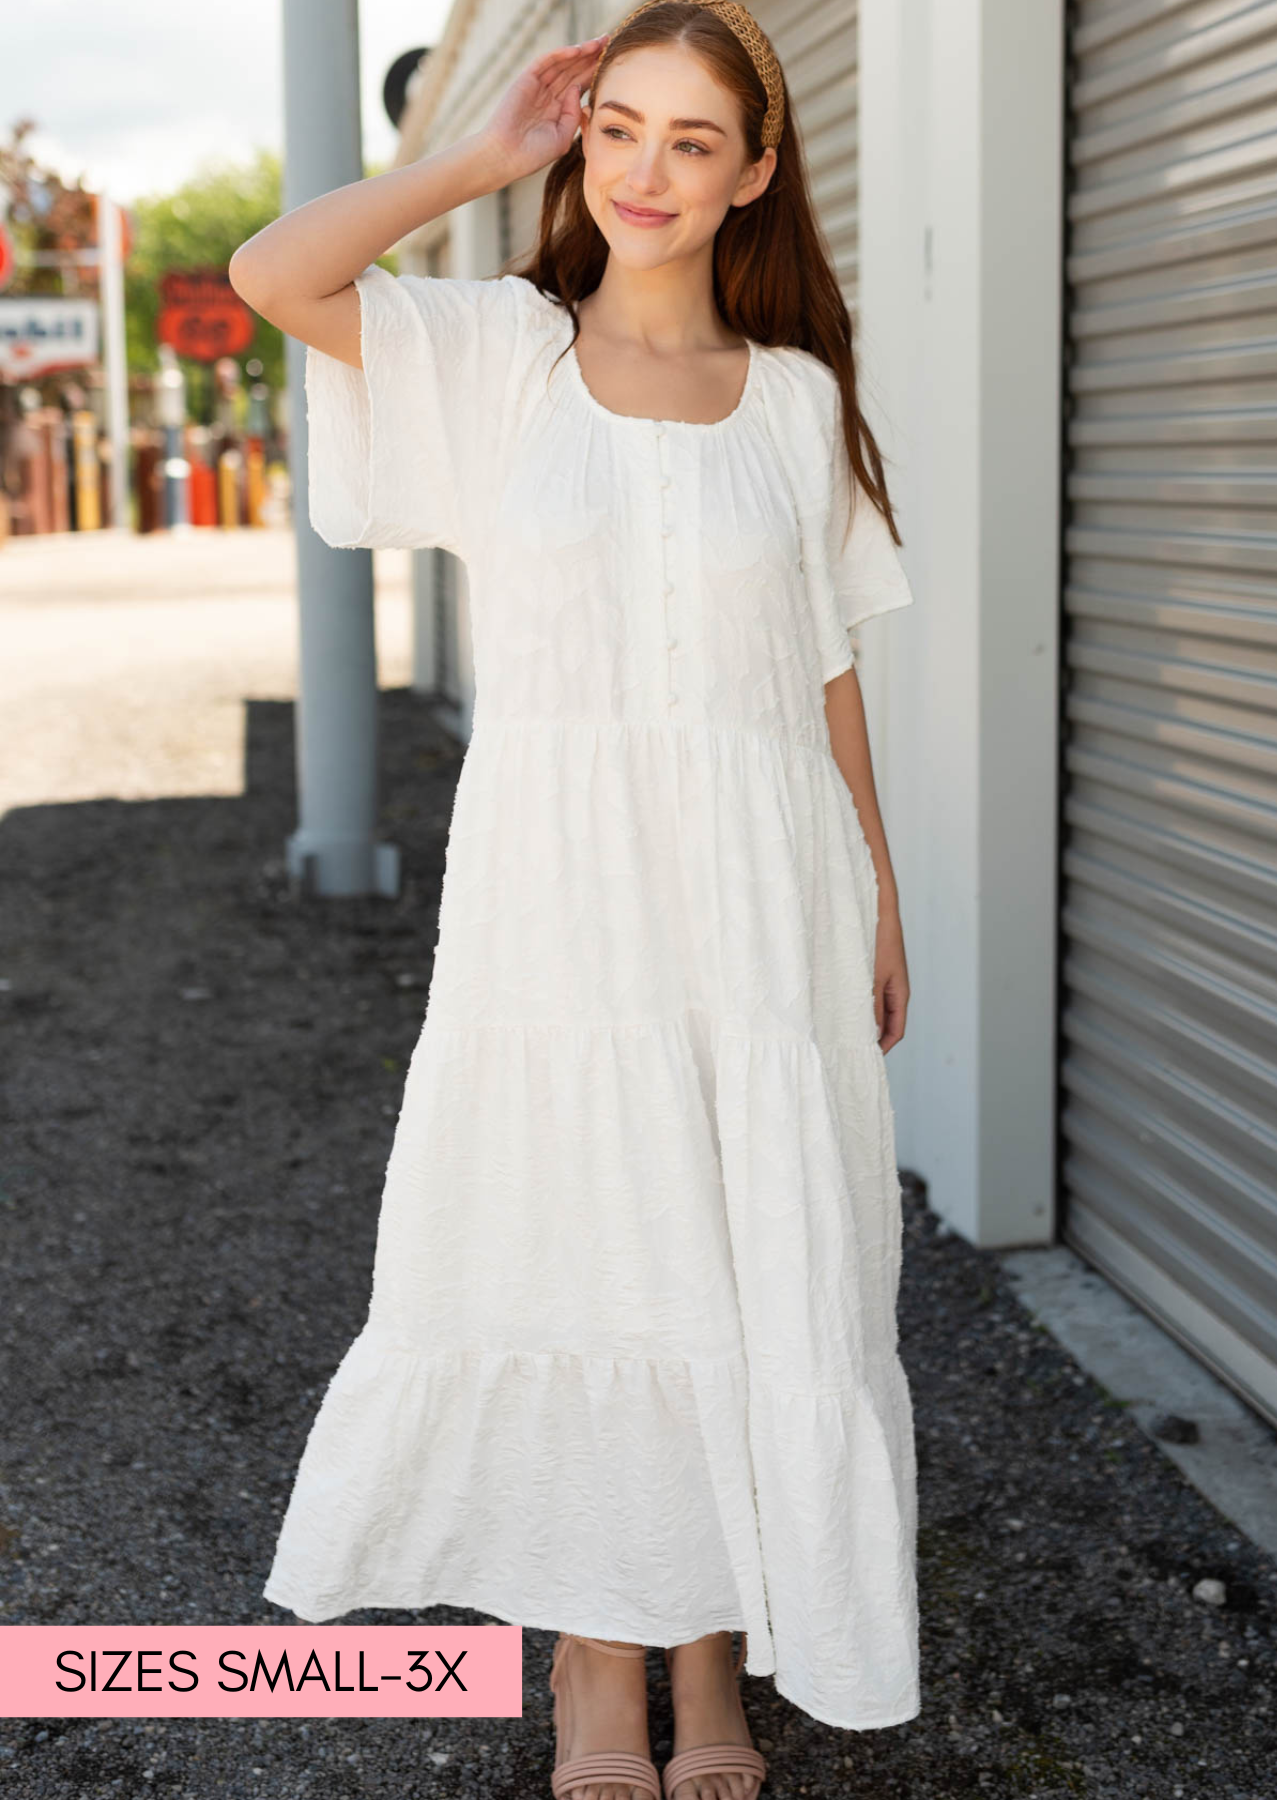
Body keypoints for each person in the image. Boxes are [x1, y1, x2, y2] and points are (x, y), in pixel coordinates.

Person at [230, 3, 920, 1795]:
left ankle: (714, 1663)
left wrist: (883, 895)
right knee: (584, 1236)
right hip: (563, 896)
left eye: (694, 141)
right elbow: (276, 269)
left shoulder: (795, 400)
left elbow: (825, 666)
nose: (648, 173)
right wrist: (479, 155)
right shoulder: (502, 357)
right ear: (581, 139)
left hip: (766, 892)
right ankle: (596, 1659)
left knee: (747, 1253)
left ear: (757, 173)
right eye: (620, 129)